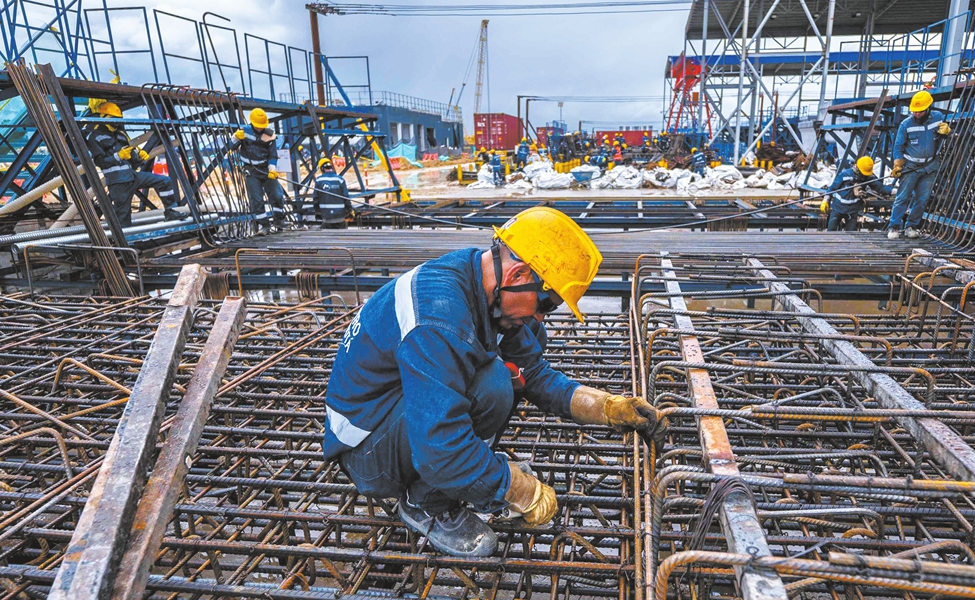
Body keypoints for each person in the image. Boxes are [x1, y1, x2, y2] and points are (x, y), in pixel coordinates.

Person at [323, 207, 668, 557]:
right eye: (545, 304)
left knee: (515, 359)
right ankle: (426, 502)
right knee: (494, 384)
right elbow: (439, 446)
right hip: (366, 453)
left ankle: (464, 475)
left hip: (394, 417)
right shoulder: (438, 318)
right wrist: (514, 488)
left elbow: (533, 373)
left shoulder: (480, 283)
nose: (539, 316)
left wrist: (607, 408)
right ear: (519, 274)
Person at [83, 99, 185, 228]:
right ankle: (125, 245)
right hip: (117, 182)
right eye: (112, 118)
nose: (115, 123)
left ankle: (170, 211)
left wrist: (140, 157)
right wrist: (118, 156)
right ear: (103, 117)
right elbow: (100, 162)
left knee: (165, 181)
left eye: (117, 119)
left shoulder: (120, 135)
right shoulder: (95, 137)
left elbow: (132, 159)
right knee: (123, 216)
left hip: (131, 176)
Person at [888, 90, 952, 240]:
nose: (917, 114)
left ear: (928, 108)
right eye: (915, 112)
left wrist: (948, 132)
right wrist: (898, 164)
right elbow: (898, 146)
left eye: (920, 111)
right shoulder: (906, 124)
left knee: (922, 199)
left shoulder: (938, 118)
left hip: (930, 166)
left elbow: (947, 137)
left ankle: (912, 226)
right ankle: (894, 226)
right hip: (911, 166)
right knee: (902, 197)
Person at [232, 108, 286, 232]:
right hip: (250, 171)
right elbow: (231, 147)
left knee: (277, 195)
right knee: (257, 199)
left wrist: (272, 168)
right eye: (258, 126)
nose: (260, 128)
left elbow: (273, 154)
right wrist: (235, 138)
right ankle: (264, 225)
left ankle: (279, 220)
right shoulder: (243, 132)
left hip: (265, 170)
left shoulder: (269, 135)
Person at [824, 156, 891, 231]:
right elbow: (832, 188)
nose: (863, 176)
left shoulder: (867, 177)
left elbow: (880, 188)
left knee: (851, 234)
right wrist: (825, 200)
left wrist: (895, 191)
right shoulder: (845, 175)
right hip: (838, 208)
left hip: (853, 210)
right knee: (831, 232)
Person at [313, 158, 351, 229]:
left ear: (322, 169)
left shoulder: (319, 180)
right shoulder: (340, 179)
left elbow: (315, 198)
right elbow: (346, 197)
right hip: (340, 217)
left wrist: (317, 211)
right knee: (341, 238)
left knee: (327, 238)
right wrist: (349, 210)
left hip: (326, 217)